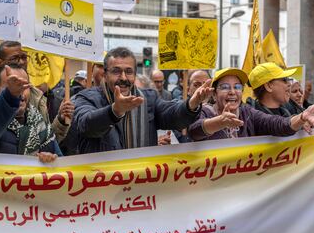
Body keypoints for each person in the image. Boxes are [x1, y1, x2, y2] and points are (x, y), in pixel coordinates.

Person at [73, 47, 212, 153]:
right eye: (116, 71)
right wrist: (115, 111)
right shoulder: (86, 97)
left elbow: (172, 115)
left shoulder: (148, 98)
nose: (123, 78)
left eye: (128, 72)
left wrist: (192, 103)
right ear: (105, 74)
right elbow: (86, 125)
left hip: (141, 183)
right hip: (104, 182)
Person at [188, 68, 314, 141]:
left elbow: (277, 124)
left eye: (238, 87)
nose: (232, 92)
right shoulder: (205, 112)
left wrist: (302, 117)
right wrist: (219, 122)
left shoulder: (247, 113)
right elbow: (194, 130)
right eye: (225, 87)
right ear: (214, 93)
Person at [0, 41, 73, 143]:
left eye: (24, 57)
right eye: (14, 58)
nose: (21, 62)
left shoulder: (37, 96)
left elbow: (46, 142)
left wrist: (61, 120)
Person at [0, 64, 61, 162]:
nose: (19, 92)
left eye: (24, 87)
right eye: (11, 86)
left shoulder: (41, 125)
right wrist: (10, 97)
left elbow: (61, 165)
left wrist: (50, 160)